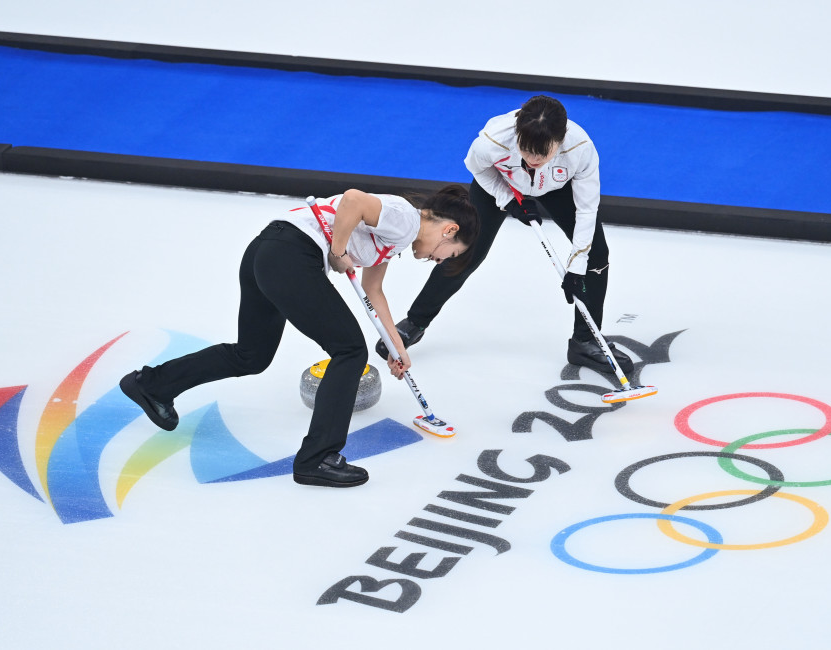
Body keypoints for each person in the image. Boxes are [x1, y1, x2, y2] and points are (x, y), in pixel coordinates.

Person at [120, 185, 478, 488]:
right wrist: (337, 252)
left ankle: (152, 385)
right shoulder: (405, 218)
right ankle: (317, 458)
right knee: (350, 350)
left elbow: (375, 290)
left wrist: (397, 348)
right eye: (450, 255)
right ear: (449, 230)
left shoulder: (396, 236)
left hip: (267, 251)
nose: (438, 260)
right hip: (292, 254)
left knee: (252, 354)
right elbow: (353, 200)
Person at [374, 95, 634, 375]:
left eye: (543, 153)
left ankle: (585, 341)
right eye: (526, 150)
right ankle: (416, 322)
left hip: (558, 188)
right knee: (465, 252)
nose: (534, 160)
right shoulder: (493, 140)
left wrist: (576, 267)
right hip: (500, 182)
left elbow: (586, 210)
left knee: (595, 255)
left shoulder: (580, 149)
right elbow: (477, 167)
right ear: (517, 134)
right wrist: (507, 198)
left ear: (560, 141)